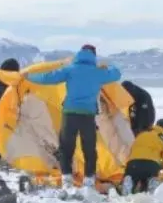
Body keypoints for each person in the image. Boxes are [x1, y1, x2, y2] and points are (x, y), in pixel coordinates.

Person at [23, 44, 121, 188]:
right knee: (89, 148)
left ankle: (67, 179)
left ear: (79, 53)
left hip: (70, 114)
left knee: (66, 147)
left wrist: (29, 76)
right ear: (94, 55)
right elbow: (117, 73)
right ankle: (89, 180)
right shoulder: (97, 72)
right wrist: (107, 67)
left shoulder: (70, 69)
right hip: (88, 115)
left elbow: (48, 78)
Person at [126, 118, 163, 193]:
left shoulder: (142, 134)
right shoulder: (162, 138)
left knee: (131, 188)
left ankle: (128, 188)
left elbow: (131, 151)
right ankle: (151, 189)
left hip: (132, 165)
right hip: (150, 166)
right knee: (151, 190)